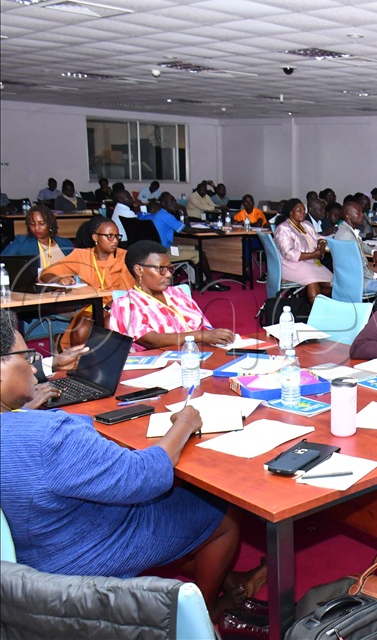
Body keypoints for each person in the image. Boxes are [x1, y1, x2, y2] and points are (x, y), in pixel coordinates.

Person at [0, 309, 266, 622]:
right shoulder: (49, 435)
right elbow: (143, 477)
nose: (34, 367)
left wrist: (25, 412)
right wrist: (184, 424)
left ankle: (226, 580)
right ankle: (201, 618)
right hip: (74, 562)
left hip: (25, 554)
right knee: (220, 512)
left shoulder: (24, 425)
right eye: (26, 356)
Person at [108, 240, 236, 350]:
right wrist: (200, 336)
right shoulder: (126, 303)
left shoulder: (178, 294)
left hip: (197, 355)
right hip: (158, 364)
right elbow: (150, 340)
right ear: (139, 270)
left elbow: (204, 326)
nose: (169, 274)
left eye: (170, 269)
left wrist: (218, 336)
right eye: (161, 269)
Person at [39, 216, 135, 349]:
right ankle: (77, 360)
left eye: (117, 236)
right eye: (109, 236)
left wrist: (106, 309)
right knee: (80, 330)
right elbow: (46, 273)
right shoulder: (81, 256)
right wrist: (59, 279)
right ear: (95, 237)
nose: (115, 241)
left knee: (108, 324)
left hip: (120, 304)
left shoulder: (125, 257)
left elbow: (127, 293)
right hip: (94, 305)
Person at [141, 193, 228, 292]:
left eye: (174, 201)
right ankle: (210, 282)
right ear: (163, 204)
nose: (174, 203)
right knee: (200, 253)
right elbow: (189, 230)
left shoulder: (160, 214)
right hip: (165, 253)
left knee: (197, 248)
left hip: (160, 249)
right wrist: (213, 230)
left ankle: (199, 282)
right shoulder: (166, 216)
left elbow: (184, 227)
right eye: (171, 202)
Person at [274, 199, 332, 304]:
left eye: (304, 210)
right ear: (291, 212)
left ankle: (314, 306)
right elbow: (289, 254)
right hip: (291, 265)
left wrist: (322, 243)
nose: (303, 213)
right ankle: (315, 310)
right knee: (313, 280)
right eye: (299, 210)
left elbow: (318, 236)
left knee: (332, 283)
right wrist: (313, 254)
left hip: (311, 262)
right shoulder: (283, 228)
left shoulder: (306, 224)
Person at [334, 201, 377, 294]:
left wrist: (374, 251)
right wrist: (376, 276)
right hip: (357, 282)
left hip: (351, 279)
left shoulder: (345, 229)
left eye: (362, 212)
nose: (362, 215)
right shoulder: (346, 236)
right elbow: (357, 265)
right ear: (348, 216)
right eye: (358, 213)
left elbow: (361, 244)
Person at [1, 203, 74, 269]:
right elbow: (3, 262)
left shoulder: (66, 244)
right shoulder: (21, 243)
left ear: (50, 224)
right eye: (32, 224)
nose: (36, 228)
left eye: (41, 223)